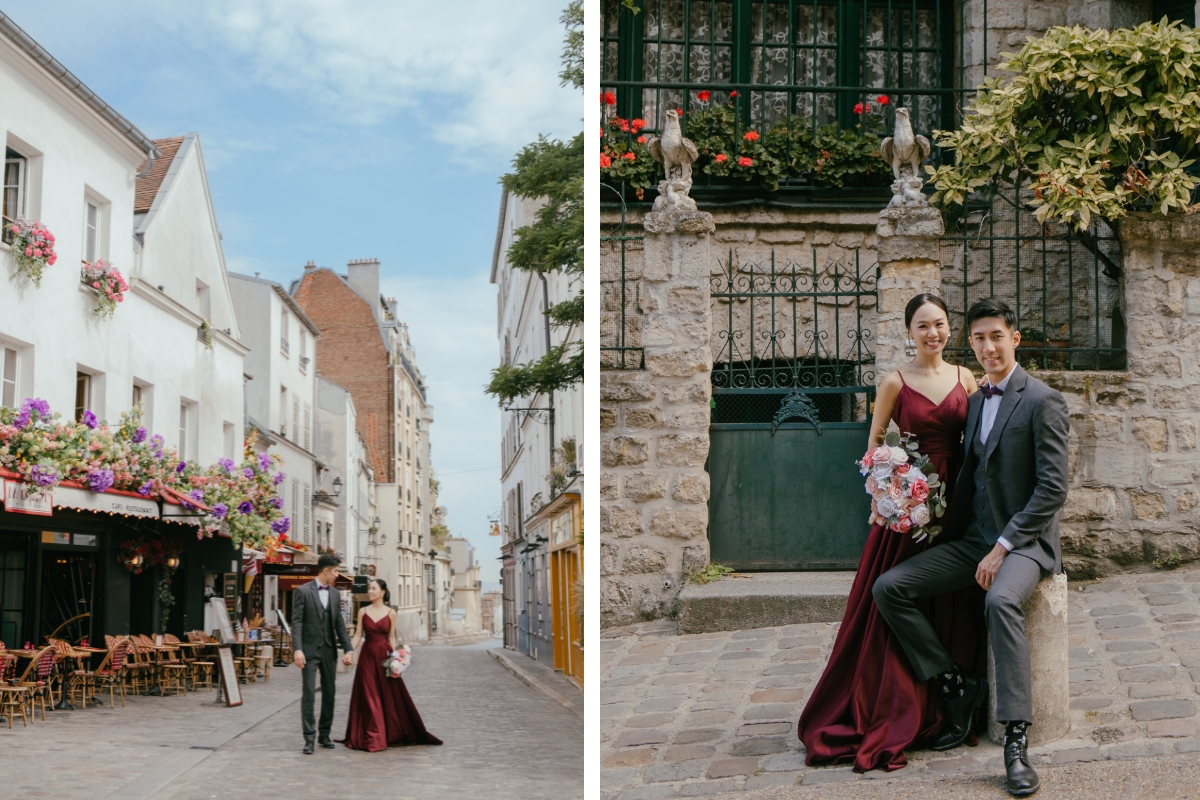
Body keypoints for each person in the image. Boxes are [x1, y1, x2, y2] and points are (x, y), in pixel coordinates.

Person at [872, 298, 1069, 797]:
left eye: (996, 336)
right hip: (971, 539)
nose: (987, 347)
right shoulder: (977, 399)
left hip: (1023, 544)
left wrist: (1003, 547)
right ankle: (955, 686)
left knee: (1000, 600)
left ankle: (1016, 742)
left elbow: (1052, 489)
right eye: (978, 338)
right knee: (890, 587)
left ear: (1015, 338)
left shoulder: (1043, 400)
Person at [798, 293, 987, 773]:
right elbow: (874, 449)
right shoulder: (894, 382)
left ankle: (954, 697)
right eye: (923, 326)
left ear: (950, 329)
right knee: (894, 595)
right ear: (909, 332)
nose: (933, 334)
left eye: (940, 324)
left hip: (955, 505)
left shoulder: (967, 378)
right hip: (910, 510)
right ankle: (908, 698)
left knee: (950, 599)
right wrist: (894, 494)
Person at [340, 578, 442, 751]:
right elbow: (357, 635)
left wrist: (398, 659)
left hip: (384, 657)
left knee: (387, 695)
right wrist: (349, 652)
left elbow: (392, 638)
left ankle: (387, 732)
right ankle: (374, 736)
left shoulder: (391, 613)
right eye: (368, 588)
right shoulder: (363, 611)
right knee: (368, 694)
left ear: (382, 592)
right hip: (367, 655)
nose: (370, 591)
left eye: (373, 588)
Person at [292, 553, 355, 755]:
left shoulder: (335, 594)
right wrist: (298, 649)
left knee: (330, 694)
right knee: (308, 694)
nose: (337, 575)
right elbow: (297, 622)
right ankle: (309, 738)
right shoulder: (303, 591)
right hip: (309, 651)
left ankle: (324, 734)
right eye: (336, 571)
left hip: (329, 650)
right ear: (325, 570)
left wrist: (349, 649)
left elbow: (339, 625)